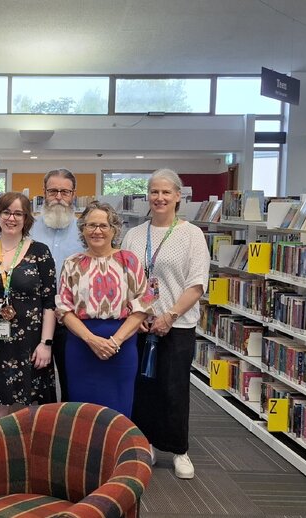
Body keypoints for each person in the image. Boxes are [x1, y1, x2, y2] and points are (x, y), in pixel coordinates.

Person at [122, 169, 210, 480]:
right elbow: (127, 279)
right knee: (141, 387)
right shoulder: (133, 234)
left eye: (166, 193)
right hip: (140, 323)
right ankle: (144, 442)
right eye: (154, 192)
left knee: (173, 387)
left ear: (177, 197)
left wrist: (169, 316)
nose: (159, 198)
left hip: (178, 325)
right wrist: (141, 313)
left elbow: (197, 283)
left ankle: (178, 449)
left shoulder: (191, 234)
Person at [56, 201, 153, 417]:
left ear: (114, 229)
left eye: (103, 225)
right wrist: (92, 340)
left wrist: (114, 342)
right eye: (91, 225)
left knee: (118, 410)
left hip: (121, 346)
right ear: (82, 229)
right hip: (81, 346)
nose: (97, 231)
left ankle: (117, 452)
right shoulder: (72, 263)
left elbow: (142, 304)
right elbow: (63, 309)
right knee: (82, 412)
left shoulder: (129, 261)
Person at [0, 192, 56, 422]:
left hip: (33, 343)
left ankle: (29, 456)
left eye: (18, 213)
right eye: (7, 212)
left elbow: (49, 302)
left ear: (26, 219)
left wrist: (46, 344)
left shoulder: (40, 252)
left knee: (32, 408)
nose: (11, 218)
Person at [28, 168, 84, 401]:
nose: (59, 197)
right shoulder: (28, 228)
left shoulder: (86, 231)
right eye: (53, 191)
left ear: (73, 194)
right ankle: (43, 434)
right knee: (39, 384)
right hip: (35, 318)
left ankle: (71, 433)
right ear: (44, 193)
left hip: (73, 319)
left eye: (64, 191)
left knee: (73, 381)